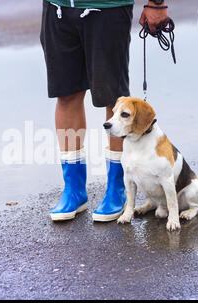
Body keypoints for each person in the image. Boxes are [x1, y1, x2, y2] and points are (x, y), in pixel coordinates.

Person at [40, 0, 170, 221]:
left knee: (114, 98)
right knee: (66, 94)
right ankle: (74, 191)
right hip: (58, 8)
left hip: (107, 8)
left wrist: (156, 3)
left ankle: (117, 189)